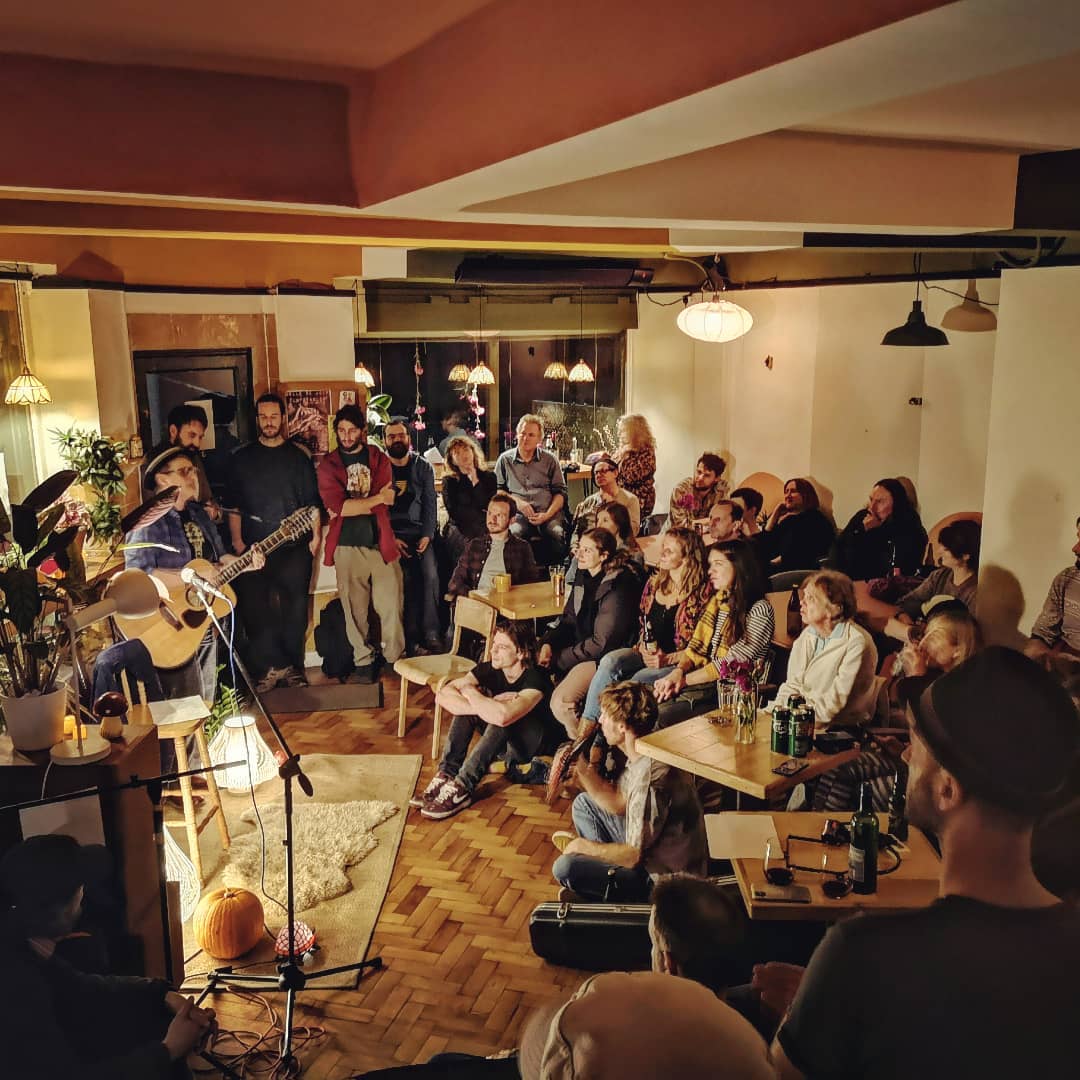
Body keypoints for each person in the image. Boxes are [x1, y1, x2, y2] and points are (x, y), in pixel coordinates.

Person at [768, 648, 1080, 1079]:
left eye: (916, 745)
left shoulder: (860, 956)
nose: (907, 758)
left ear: (948, 789)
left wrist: (804, 1005)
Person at [0, 834, 217, 1079]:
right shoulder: (18, 990)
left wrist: (162, 994)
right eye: (79, 889)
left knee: (156, 1014)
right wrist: (168, 1050)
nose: (84, 894)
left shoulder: (22, 941)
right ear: (58, 912)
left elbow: (82, 986)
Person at [125, 446, 262, 704]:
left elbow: (220, 559)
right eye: (184, 471)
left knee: (208, 696)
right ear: (162, 479)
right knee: (186, 702)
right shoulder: (147, 522)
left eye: (193, 471)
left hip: (204, 618)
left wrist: (247, 563)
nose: (193, 477)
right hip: (171, 621)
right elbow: (138, 577)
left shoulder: (199, 514)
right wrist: (189, 576)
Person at [551, 682, 708, 902]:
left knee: (564, 867)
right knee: (584, 805)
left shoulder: (650, 780)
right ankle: (600, 877)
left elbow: (634, 856)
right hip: (650, 852)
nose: (600, 720)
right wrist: (583, 771)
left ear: (622, 726)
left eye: (605, 715)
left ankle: (612, 891)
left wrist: (583, 846)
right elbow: (619, 802)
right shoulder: (644, 751)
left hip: (663, 880)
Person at [226, 392, 322, 692]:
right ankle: (271, 667)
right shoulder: (240, 459)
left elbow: (312, 504)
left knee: (295, 610)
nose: (269, 422)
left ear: (283, 419)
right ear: (257, 419)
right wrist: (238, 543)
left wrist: (316, 538)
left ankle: (294, 670)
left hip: (295, 548)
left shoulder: (298, 458)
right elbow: (233, 505)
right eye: (264, 417)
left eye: (274, 416)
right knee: (254, 610)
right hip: (254, 551)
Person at [415, 622, 555, 820]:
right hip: (503, 746)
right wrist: (483, 704)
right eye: (494, 644)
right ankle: (447, 774)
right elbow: (443, 694)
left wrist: (471, 693)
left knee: (500, 717)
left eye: (502, 647)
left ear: (521, 652)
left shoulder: (535, 678)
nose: (493, 651)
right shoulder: (489, 668)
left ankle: (463, 786)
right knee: (472, 710)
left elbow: (503, 717)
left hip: (532, 749)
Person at [580, 528, 711, 727]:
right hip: (647, 653)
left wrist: (668, 659)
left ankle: (602, 737)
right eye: (663, 547)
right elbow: (643, 624)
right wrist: (642, 646)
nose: (662, 553)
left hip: (678, 662)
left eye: (669, 551)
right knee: (610, 661)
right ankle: (586, 730)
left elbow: (701, 646)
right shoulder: (654, 583)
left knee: (637, 679)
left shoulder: (702, 595)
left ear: (687, 558)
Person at [317, 404, 403, 682]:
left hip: (381, 542)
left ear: (362, 431)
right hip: (346, 544)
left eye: (352, 430)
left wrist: (355, 505)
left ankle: (394, 658)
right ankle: (363, 661)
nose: (346, 436)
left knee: (391, 604)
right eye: (341, 430)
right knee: (354, 610)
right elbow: (339, 507)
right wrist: (375, 499)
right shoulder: (328, 465)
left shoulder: (378, 458)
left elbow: (387, 499)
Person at [651, 541, 774, 727]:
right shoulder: (719, 602)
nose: (710, 571)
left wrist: (682, 681)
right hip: (703, 682)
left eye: (718, 564)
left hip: (730, 692)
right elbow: (694, 648)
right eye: (710, 564)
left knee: (656, 714)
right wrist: (678, 671)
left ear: (738, 566)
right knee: (641, 701)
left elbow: (729, 664)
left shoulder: (759, 610)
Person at [541, 529, 644, 737]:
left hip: (605, 657)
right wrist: (548, 643)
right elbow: (568, 619)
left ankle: (583, 746)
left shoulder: (619, 584)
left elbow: (602, 643)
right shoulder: (584, 574)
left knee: (561, 703)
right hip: (581, 649)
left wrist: (561, 658)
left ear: (604, 555)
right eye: (579, 548)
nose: (578, 554)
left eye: (587, 550)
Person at [770, 570, 878, 727]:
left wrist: (792, 719)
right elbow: (792, 686)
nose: (802, 602)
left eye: (811, 598)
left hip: (839, 729)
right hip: (801, 720)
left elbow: (832, 706)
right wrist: (774, 713)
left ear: (835, 609)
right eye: (804, 596)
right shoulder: (809, 633)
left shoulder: (857, 643)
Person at [383, 417, 441, 655]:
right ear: (385, 441)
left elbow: (430, 504)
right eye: (391, 436)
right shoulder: (379, 469)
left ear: (409, 438)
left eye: (401, 435)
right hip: (391, 535)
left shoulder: (423, 467)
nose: (397, 440)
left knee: (431, 575)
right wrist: (389, 539)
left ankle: (432, 634)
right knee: (404, 581)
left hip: (419, 534)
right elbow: (376, 510)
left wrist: (427, 534)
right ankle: (410, 641)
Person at [887, 518, 980, 641]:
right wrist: (902, 615)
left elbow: (968, 636)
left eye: (946, 549)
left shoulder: (974, 592)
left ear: (965, 556)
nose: (939, 551)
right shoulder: (939, 576)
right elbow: (908, 601)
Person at [494, 413, 569, 562]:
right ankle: (521, 574)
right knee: (513, 535)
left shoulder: (550, 460)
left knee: (558, 534)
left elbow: (561, 493)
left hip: (548, 514)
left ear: (539, 439)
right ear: (517, 435)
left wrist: (547, 515)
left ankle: (552, 573)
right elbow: (498, 490)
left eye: (531, 435)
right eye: (523, 433)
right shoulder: (505, 460)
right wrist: (518, 503)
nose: (526, 438)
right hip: (518, 515)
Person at [829, 477, 927, 581]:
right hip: (848, 580)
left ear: (896, 504)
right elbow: (838, 549)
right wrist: (862, 531)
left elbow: (896, 568)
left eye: (880, 501)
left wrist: (874, 533)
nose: (872, 507)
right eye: (871, 500)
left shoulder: (909, 524)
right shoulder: (863, 516)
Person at [448, 493, 539, 597]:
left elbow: (532, 585)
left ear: (512, 520)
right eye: (490, 513)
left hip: (508, 604)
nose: (492, 519)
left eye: (499, 515)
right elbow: (455, 583)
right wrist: (473, 596)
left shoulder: (522, 547)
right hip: (475, 603)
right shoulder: (474, 545)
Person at [155, 402, 221, 523]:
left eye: (200, 437)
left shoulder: (194, 458)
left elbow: (207, 498)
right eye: (192, 435)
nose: (197, 443)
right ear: (173, 431)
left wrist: (213, 510)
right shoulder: (155, 464)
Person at [1027, 514, 1080, 661]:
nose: (1075, 548)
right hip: (1062, 661)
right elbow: (1043, 632)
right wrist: (1031, 659)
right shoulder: (1066, 578)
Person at [440, 434, 497, 566]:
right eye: (457, 453)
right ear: (452, 460)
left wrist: (475, 480)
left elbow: (489, 505)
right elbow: (455, 512)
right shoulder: (450, 481)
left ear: (473, 451)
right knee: (470, 544)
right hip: (459, 527)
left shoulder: (489, 477)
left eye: (466, 449)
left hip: (485, 524)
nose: (463, 455)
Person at [757, 478, 834, 572]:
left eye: (793, 491)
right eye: (786, 492)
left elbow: (801, 550)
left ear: (805, 495)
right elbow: (764, 542)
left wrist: (769, 564)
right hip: (774, 567)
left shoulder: (815, 518)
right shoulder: (786, 520)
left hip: (794, 570)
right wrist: (776, 513)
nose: (788, 495)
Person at [570, 455, 641, 546]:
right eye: (596, 473)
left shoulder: (630, 499)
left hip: (614, 547)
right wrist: (574, 547)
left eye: (603, 471)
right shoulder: (589, 501)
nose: (599, 475)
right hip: (586, 547)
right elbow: (577, 531)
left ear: (615, 473)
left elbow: (633, 531)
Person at [666, 451, 729, 531]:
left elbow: (723, 522)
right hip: (674, 535)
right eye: (699, 472)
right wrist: (708, 522)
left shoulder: (720, 492)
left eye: (706, 475)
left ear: (717, 478)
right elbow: (682, 526)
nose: (700, 478)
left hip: (703, 535)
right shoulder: (681, 490)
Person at [612, 412, 657, 519]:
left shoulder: (646, 453)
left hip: (639, 500)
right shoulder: (623, 450)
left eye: (623, 431)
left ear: (634, 432)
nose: (619, 434)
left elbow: (629, 476)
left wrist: (621, 457)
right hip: (620, 497)